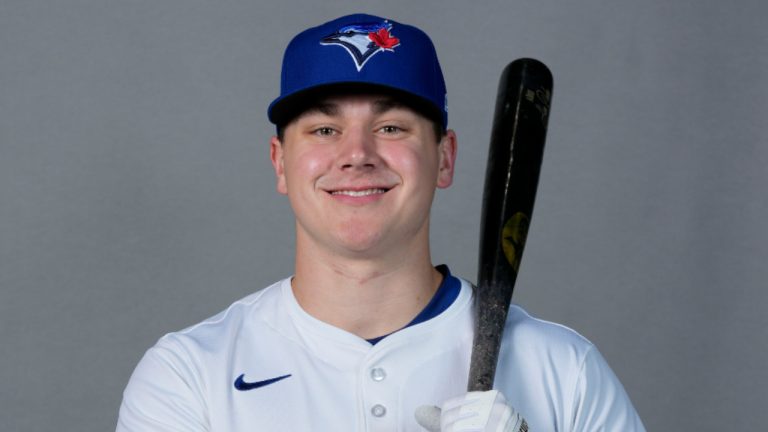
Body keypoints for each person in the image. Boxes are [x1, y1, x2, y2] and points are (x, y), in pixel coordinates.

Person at [116, 13, 645, 431]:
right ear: (280, 162)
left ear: (444, 158)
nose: (357, 155)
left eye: (391, 127)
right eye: (324, 130)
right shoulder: (189, 375)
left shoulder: (564, 369)